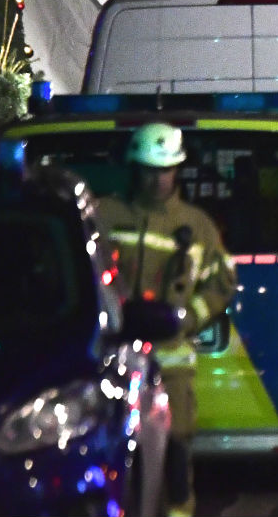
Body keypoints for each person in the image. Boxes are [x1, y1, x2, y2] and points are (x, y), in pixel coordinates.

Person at [96, 123, 237, 517]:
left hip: (171, 364)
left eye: (165, 169)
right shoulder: (104, 215)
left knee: (175, 460)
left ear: (177, 170)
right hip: (111, 361)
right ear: (134, 168)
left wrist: (187, 317)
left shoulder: (198, 227)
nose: (157, 179)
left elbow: (221, 284)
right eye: (148, 169)